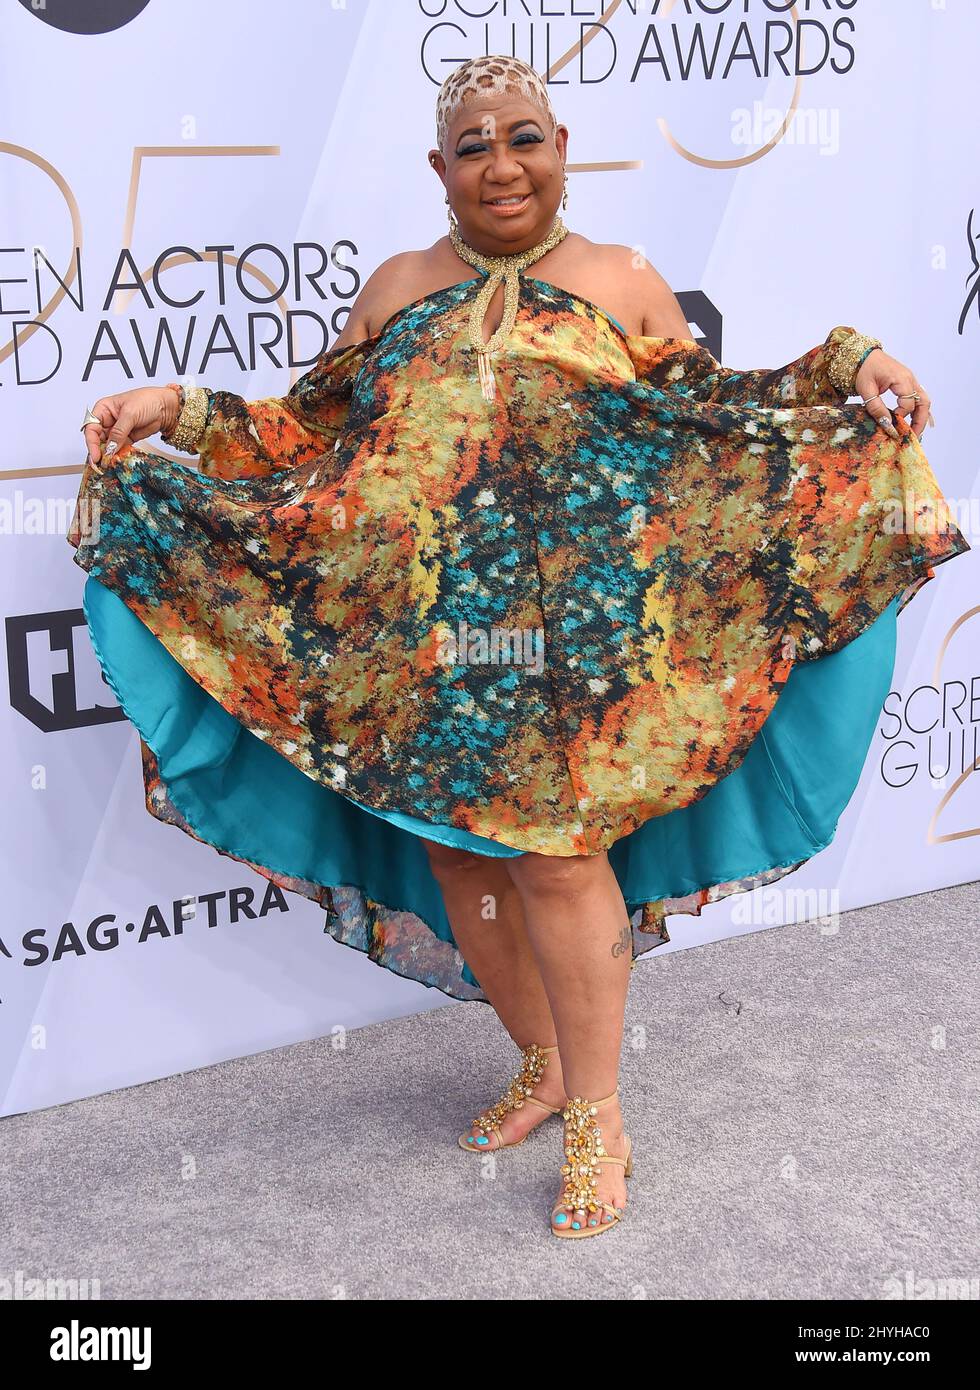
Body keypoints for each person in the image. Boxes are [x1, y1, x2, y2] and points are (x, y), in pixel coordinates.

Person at [68, 55, 971, 1240]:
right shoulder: (395, 287)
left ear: (561, 146)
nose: (501, 162)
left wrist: (846, 360)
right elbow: (305, 440)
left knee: (555, 861)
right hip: (436, 644)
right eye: (474, 143)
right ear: (437, 167)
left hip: (578, 653)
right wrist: (176, 411)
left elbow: (721, 424)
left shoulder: (620, 280)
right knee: (459, 866)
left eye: (523, 137)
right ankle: (542, 1061)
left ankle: (598, 1112)